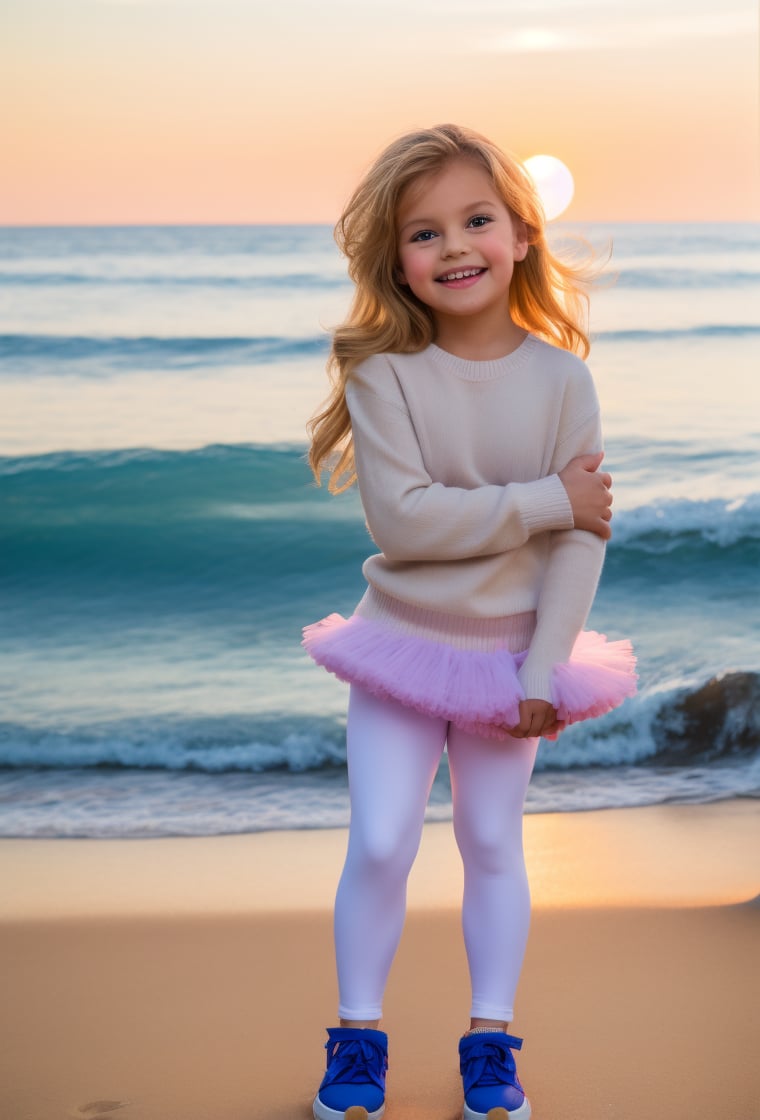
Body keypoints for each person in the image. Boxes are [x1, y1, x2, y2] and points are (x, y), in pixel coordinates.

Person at [303, 123, 636, 1120]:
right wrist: (545, 500)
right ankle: (356, 1038)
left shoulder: (562, 380)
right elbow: (404, 520)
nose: (453, 247)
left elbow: (584, 541)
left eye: (476, 221)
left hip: (510, 662)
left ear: (521, 234)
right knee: (379, 840)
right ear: (396, 263)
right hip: (400, 647)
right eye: (423, 233)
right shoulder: (385, 375)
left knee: (493, 839)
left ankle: (491, 1043)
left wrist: (541, 669)